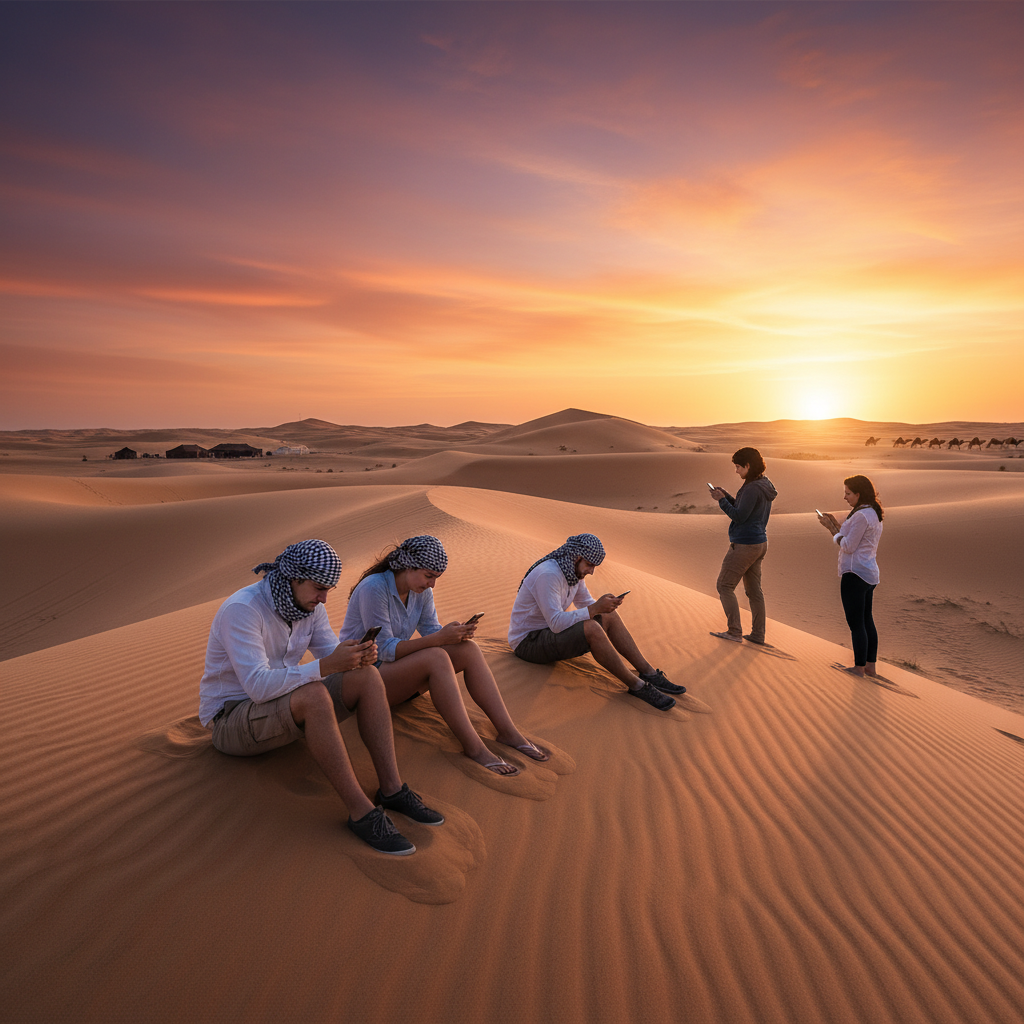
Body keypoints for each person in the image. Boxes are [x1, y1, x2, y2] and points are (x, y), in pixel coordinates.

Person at [198, 539, 444, 857]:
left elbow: (330, 654)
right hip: (232, 718)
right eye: (318, 587)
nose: (324, 598)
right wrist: (327, 665)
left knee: (366, 677)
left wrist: (358, 656)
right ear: (293, 577)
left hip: (282, 704)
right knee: (314, 695)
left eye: (329, 589)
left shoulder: (310, 608)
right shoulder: (243, 610)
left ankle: (392, 790)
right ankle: (362, 814)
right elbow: (258, 687)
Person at [340, 535, 548, 776]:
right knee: (436, 657)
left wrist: (456, 634)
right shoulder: (374, 588)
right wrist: (439, 640)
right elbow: (385, 649)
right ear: (408, 566)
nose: (432, 584)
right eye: (429, 576)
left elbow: (431, 631)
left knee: (468, 650)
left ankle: (508, 732)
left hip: (393, 676)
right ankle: (475, 748)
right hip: (363, 682)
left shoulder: (420, 592)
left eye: (436, 578)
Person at [508, 533, 684, 711]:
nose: (591, 571)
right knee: (591, 628)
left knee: (608, 616)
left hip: (549, 635)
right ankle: (638, 686)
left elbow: (585, 604)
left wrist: (606, 606)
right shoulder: (548, 575)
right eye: (589, 565)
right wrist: (595, 609)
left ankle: (649, 673)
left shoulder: (572, 573)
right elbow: (556, 623)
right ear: (576, 557)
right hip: (527, 643)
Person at [817, 475, 884, 677]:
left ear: (858, 494)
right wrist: (835, 524)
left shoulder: (862, 516)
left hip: (855, 573)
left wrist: (832, 531)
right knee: (866, 621)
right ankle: (870, 666)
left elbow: (848, 545)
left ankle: (859, 667)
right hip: (868, 573)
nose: (844, 497)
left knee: (856, 623)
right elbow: (852, 536)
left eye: (848, 493)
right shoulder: (870, 512)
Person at [709, 447, 777, 644]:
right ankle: (757, 635)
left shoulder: (753, 487)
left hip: (745, 544)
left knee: (724, 585)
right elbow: (744, 507)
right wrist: (727, 496)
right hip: (759, 543)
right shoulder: (763, 483)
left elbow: (739, 515)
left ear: (748, 465)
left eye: (738, 467)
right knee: (754, 591)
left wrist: (722, 501)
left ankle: (734, 631)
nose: (736, 471)